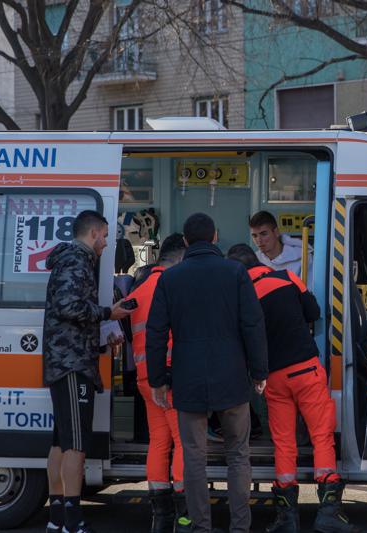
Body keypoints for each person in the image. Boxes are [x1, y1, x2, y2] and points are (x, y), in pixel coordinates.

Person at [146, 213, 269, 533]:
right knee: (239, 455)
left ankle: (201, 527)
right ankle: (240, 527)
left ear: (186, 242)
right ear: (215, 237)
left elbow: (155, 332)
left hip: (189, 381)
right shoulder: (236, 272)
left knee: (194, 458)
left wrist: (158, 380)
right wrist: (259, 372)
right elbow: (253, 325)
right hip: (233, 379)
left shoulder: (170, 279)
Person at [227, 244, 354, 533]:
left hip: (274, 378)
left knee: (284, 443)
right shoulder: (286, 278)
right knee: (321, 436)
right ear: (257, 262)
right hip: (306, 370)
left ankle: (287, 519)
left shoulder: (241, 296)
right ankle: (328, 515)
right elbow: (314, 311)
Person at [43, 210, 134, 533]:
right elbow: (68, 307)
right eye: (105, 236)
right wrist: (110, 312)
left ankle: (56, 518)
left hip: (67, 360)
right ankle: (72, 520)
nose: (106, 243)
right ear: (94, 233)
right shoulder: (77, 261)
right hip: (72, 364)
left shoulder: (70, 259)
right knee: (76, 446)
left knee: (61, 442)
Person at [126, 233, 192, 533]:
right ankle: (184, 516)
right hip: (171, 377)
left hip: (145, 378)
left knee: (159, 442)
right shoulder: (176, 285)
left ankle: (160, 517)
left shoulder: (139, 287)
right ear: (180, 257)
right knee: (183, 444)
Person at [249, 211, 313, 287]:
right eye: (254, 236)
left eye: (263, 234)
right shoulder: (254, 261)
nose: (259, 240)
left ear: (276, 232)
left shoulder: (303, 258)